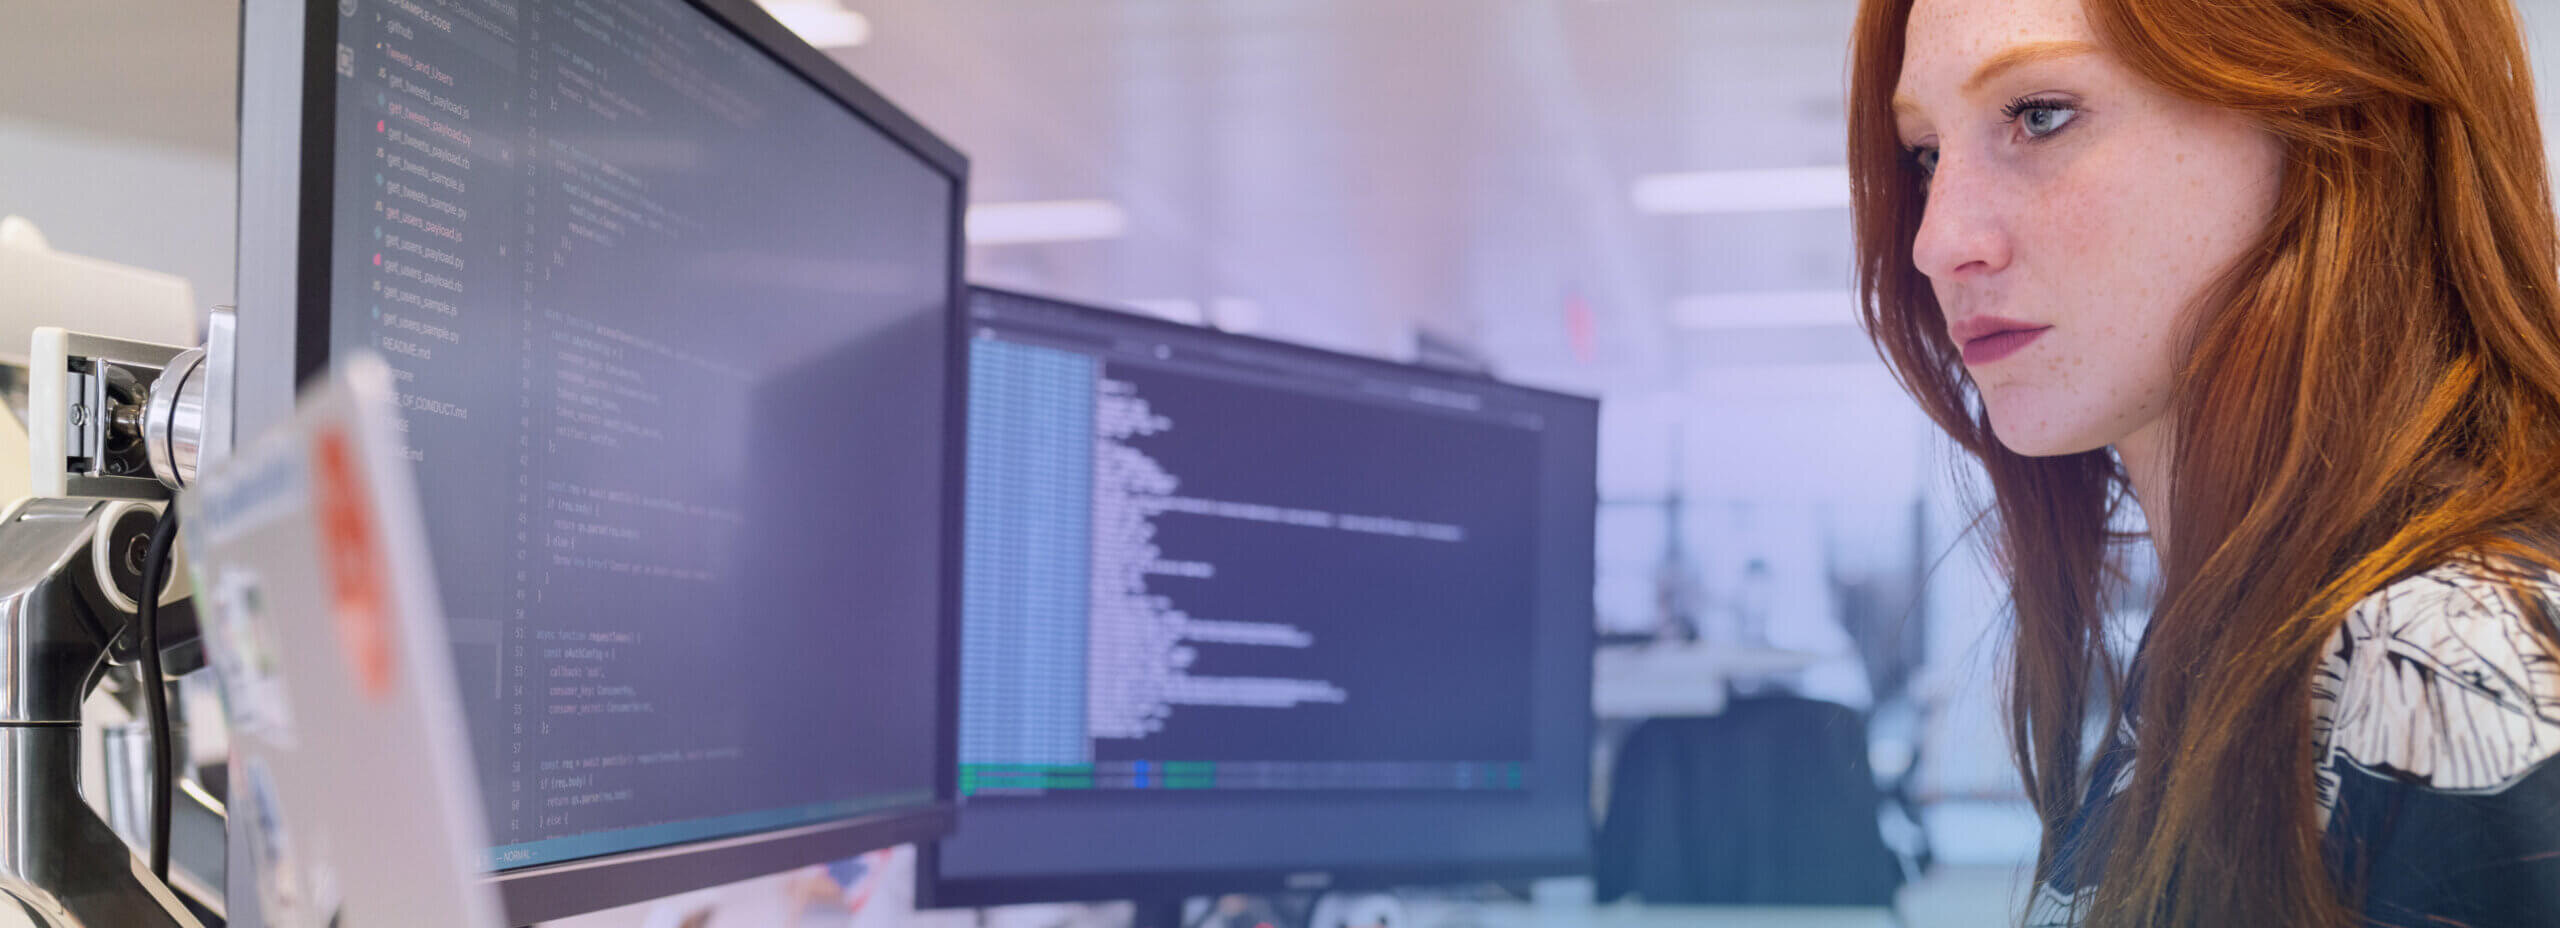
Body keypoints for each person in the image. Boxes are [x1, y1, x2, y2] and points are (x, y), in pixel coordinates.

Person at [1847, 0, 2560, 924]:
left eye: (2040, 114)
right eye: (1927, 156)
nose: (1936, 242)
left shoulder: (2450, 655)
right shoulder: (2243, 626)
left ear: (2333, 115)